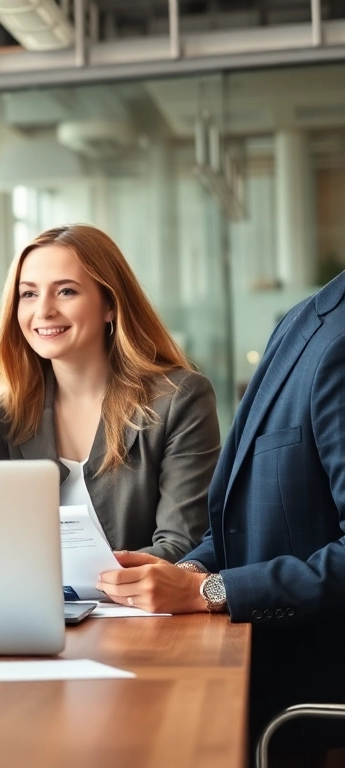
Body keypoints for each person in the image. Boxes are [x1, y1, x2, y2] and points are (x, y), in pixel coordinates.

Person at [95, 268, 345, 758]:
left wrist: (208, 591)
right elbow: (248, 520)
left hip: (302, 699)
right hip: (261, 676)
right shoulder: (305, 319)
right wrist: (189, 568)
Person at [0, 225, 220, 562]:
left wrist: (84, 579)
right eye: (29, 294)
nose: (43, 311)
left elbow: (182, 545)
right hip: (30, 608)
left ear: (109, 304)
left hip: (138, 611)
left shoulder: (178, 399)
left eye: (66, 291)